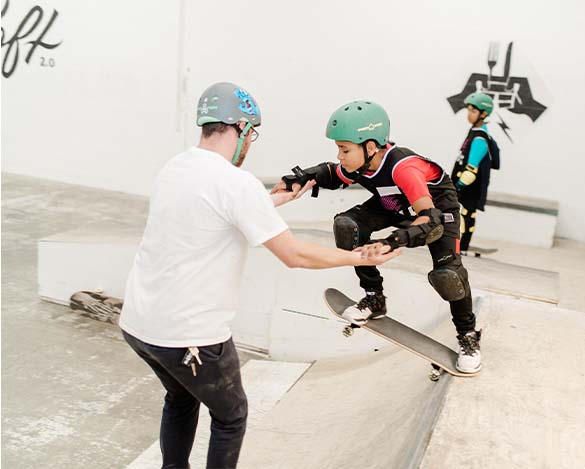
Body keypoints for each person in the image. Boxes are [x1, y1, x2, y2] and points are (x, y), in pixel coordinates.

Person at [119, 83, 399, 469]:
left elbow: (215, 209)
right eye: (251, 135)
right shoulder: (237, 183)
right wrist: (357, 256)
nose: (250, 143)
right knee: (230, 417)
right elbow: (295, 255)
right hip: (191, 336)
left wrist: (274, 200)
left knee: (181, 398)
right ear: (241, 129)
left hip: (138, 325)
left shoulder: (176, 166)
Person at [272, 100, 483, 375]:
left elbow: (429, 221)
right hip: (392, 202)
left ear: (370, 146)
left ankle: (468, 335)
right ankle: (374, 298)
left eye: (345, 149)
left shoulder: (403, 168)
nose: (340, 156)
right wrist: (297, 180)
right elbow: (330, 174)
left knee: (448, 275)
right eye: (338, 149)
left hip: (437, 209)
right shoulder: (362, 163)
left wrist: (391, 241)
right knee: (348, 225)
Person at [450, 92, 499, 254]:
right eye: (468, 110)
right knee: (464, 214)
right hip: (466, 185)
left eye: (473, 111)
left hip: (469, 186)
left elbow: (471, 169)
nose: (469, 115)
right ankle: (460, 245)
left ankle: (461, 247)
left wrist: (458, 186)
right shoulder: (475, 131)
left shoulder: (480, 139)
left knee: (465, 214)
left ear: (483, 114)